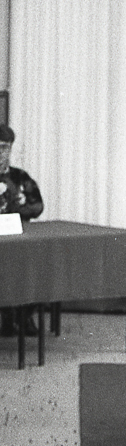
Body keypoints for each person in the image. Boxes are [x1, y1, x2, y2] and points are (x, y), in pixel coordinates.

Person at [0, 124, 44, 336]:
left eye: (4, 147)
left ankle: (24, 316)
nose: (0, 153)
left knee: (37, 268)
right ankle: (7, 316)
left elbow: (38, 206)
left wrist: (17, 209)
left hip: (18, 239)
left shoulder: (20, 176)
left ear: (10, 149)